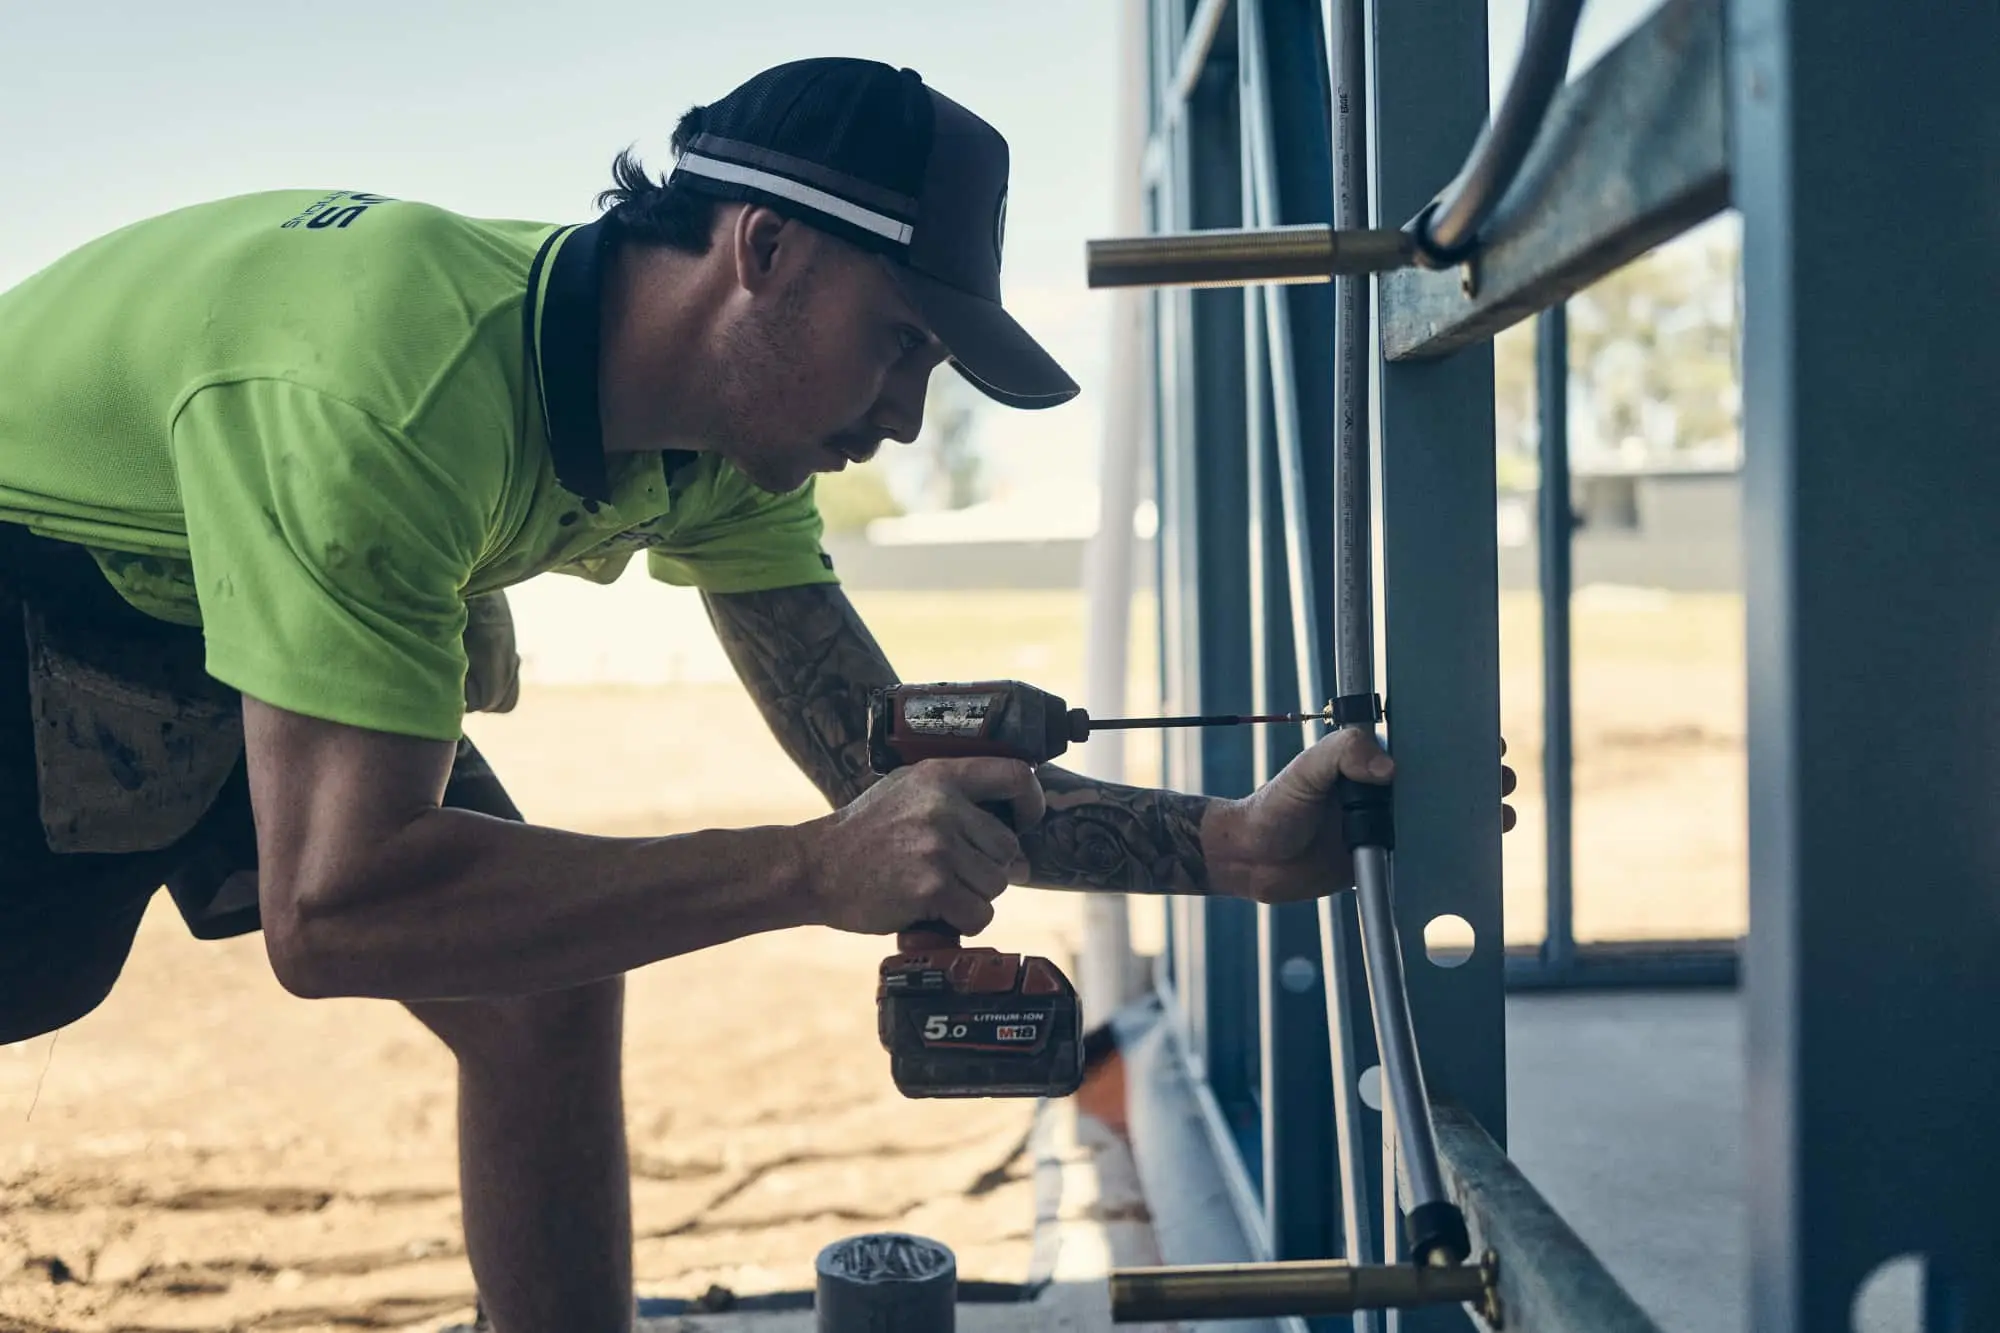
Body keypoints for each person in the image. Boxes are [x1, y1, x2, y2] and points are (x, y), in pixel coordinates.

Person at [0, 57, 1514, 1332]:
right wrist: (803, 877)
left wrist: (1229, 846)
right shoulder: (389, 393)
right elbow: (335, 917)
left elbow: (873, 759)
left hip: (209, 602)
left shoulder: (710, 445)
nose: (912, 416)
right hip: (30, 583)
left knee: (541, 981)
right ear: (765, 250)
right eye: (902, 341)